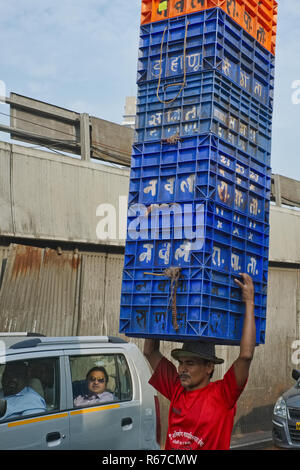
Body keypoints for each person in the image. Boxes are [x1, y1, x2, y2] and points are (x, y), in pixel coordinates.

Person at [144, 273, 256, 450]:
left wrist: (249, 302)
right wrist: (160, 295)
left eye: (190, 363)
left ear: (209, 367)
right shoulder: (176, 388)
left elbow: (246, 356)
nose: (182, 369)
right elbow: (150, 351)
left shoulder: (223, 395)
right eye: (181, 362)